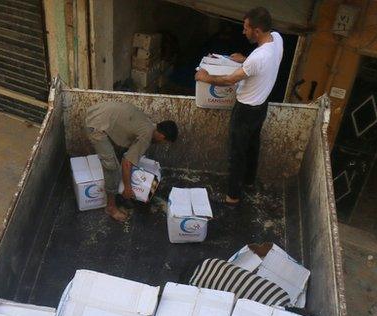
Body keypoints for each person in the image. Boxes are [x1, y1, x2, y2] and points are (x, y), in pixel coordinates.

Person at [195, 7, 283, 205]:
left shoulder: (258, 58)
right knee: (253, 145)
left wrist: (205, 77)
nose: (243, 32)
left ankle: (233, 196)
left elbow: (228, 80)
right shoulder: (277, 39)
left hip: (245, 110)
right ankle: (250, 182)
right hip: (261, 105)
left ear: (257, 31)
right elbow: (261, 65)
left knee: (237, 153)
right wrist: (243, 60)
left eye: (246, 28)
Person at [85, 101, 178, 221]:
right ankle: (111, 207)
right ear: (162, 136)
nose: (162, 144)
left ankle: (114, 190)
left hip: (95, 112)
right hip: (96, 126)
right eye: (164, 142)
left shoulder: (148, 124)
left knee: (119, 158)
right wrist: (128, 189)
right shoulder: (147, 135)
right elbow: (127, 162)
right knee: (113, 167)